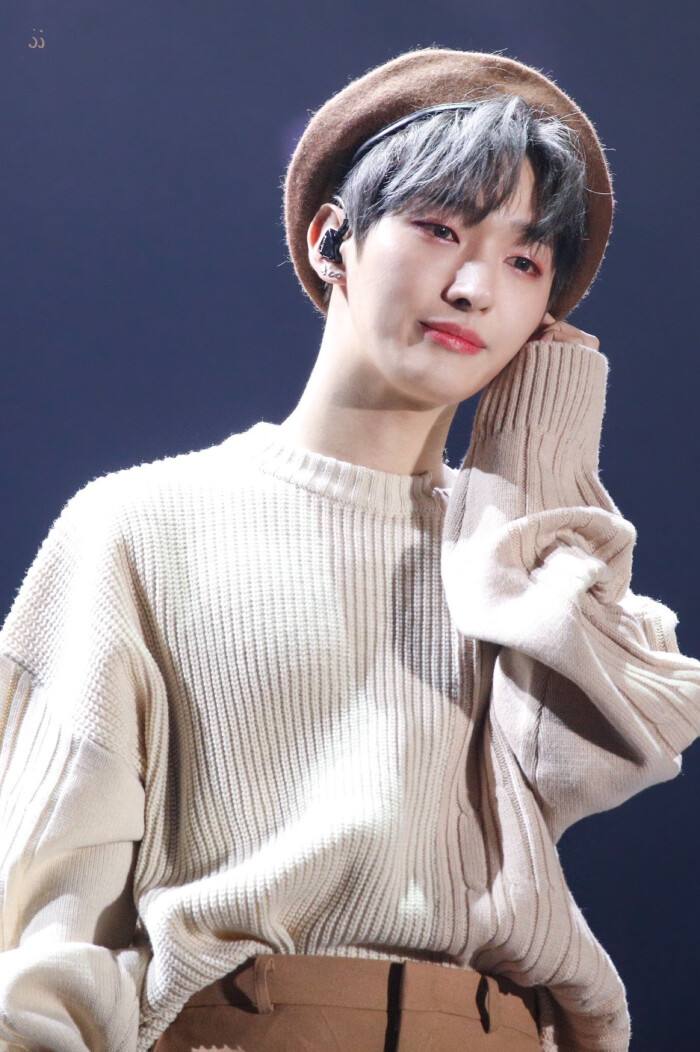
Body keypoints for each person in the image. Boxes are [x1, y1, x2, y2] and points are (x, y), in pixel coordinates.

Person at [1, 45, 699, 1052]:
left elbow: (588, 755)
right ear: (332, 237)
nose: (473, 287)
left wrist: (533, 454)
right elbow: (47, 924)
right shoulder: (140, 525)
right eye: (440, 228)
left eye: (523, 262)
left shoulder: (515, 563)